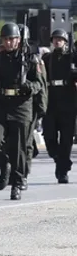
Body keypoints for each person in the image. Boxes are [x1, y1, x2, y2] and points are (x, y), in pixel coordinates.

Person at [0, 23, 45, 199]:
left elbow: (39, 84)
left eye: (12, 39)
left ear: (18, 40)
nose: (8, 42)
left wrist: (29, 87)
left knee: (19, 146)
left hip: (21, 106)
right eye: (5, 39)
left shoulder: (30, 59)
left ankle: (18, 182)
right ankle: (3, 163)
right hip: (0, 104)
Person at [42, 29, 75, 183]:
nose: (57, 41)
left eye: (60, 39)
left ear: (65, 42)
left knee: (66, 139)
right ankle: (59, 159)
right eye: (55, 39)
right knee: (49, 136)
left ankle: (63, 171)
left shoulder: (72, 57)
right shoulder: (47, 58)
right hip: (51, 100)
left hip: (68, 100)